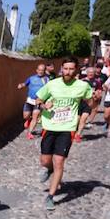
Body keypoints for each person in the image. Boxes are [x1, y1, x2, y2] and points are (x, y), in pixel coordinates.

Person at [35, 57, 92, 210]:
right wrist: (43, 105)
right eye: (65, 69)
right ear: (61, 69)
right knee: (45, 161)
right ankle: (49, 169)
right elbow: (37, 100)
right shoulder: (52, 84)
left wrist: (92, 103)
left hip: (67, 128)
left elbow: (90, 100)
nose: (67, 72)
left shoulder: (82, 86)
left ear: (76, 70)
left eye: (71, 69)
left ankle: (51, 197)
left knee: (59, 161)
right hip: (49, 126)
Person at [18, 64, 49, 139]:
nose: (41, 71)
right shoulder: (31, 78)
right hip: (29, 100)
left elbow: (49, 90)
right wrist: (21, 85)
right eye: (39, 70)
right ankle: (28, 120)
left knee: (35, 116)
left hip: (39, 101)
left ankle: (29, 133)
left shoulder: (46, 79)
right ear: (37, 70)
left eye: (42, 70)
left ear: (44, 71)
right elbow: (25, 84)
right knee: (25, 116)